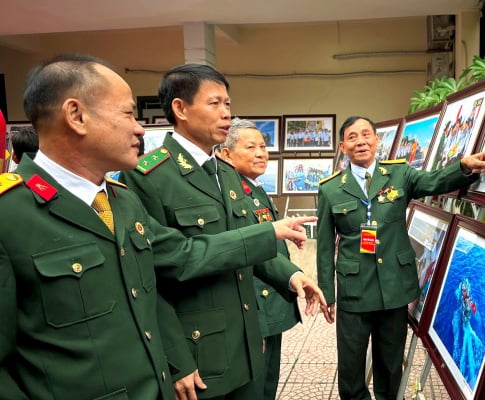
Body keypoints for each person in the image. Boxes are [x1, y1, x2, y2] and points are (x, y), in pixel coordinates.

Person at [0, 54, 318, 400]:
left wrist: (282, 261)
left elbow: (166, 270)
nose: (139, 127)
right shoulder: (11, 214)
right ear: (76, 115)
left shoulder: (120, 202)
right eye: (127, 113)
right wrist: (181, 361)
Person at [120, 63, 326, 400]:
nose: (226, 113)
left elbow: (246, 246)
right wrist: (176, 359)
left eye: (228, 104)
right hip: (197, 351)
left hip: (244, 343)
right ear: (180, 108)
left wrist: (292, 277)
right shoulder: (149, 177)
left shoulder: (227, 174)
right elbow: (150, 277)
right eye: (214, 104)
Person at [316, 115, 485, 400]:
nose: (360, 141)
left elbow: (434, 181)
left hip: (394, 287)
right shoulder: (330, 189)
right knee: (351, 371)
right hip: (354, 292)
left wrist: (464, 167)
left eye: (366, 134)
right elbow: (326, 247)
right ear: (343, 147)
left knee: (391, 369)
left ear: (377, 141)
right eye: (352, 137)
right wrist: (327, 293)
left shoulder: (400, 174)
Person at [218, 117, 303, 400]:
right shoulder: (231, 195)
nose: (260, 153)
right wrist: (258, 325)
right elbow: (245, 259)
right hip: (258, 311)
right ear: (225, 154)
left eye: (263, 146)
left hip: (273, 305)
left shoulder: (254, 188)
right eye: (251, 147)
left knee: (268, 385)